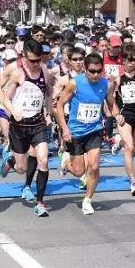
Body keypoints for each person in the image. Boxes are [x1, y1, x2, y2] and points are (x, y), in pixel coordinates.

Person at [0, 38, 55, 215]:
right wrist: (13, 111)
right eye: (33, 61)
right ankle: (11, 159)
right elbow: (0, 90)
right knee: (21, 168)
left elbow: (49, 94)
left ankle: (40, 202)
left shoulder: (44, 70)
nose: (36, 64)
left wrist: (48, 113)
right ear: (24, 57)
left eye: (39, 60)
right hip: (19, 125)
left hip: (37, 123)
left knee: (43, 160)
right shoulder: (16, 71)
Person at [54, 52, 109, 215]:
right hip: (76, 131)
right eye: (92, 71)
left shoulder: (105, 84)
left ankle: (87, 200)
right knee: (78, 171)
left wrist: (117, 114)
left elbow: (110, 103)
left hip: (95, 130)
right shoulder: (74, 83)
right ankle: (66, 162)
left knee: (94, 165)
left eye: (99, 71)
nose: (95, 74)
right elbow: (59, 105)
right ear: (85, 69)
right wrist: (64, 129)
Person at [108, 42, 135, 196]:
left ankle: (118, 141)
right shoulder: (118, 78)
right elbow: (109, 100)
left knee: (133, 151)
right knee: (130, 148)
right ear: (123, 60)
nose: (132, 63)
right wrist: (116, 115)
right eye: (129, 60)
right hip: (125, 118)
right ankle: (133, 182)